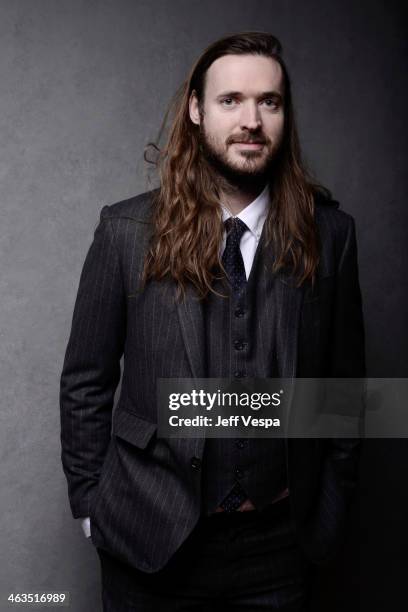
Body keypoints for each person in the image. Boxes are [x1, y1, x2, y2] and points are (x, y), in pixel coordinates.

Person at [60, 31, 365, 611]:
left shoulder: (333, 235)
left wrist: (330, 509)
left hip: (279, 549)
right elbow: (85, 381)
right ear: (198, 110)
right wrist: (91, 508)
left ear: (283, 114)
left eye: (268, 102)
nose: (251, 119)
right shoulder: (126, 232)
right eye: (231, 101)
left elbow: (347, 393)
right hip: (149, 542)